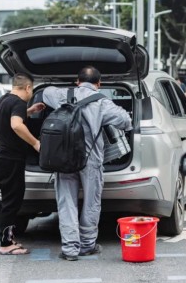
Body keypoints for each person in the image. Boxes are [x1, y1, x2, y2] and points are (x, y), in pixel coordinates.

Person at [42, 66, 132, 261]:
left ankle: (69, 249)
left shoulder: (61, 95)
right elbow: (126, 120)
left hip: (63, 157)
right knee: (91, 202)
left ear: (77, 81)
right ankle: (87, 245)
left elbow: (45, 92)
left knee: (66, 201)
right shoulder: (102, 102)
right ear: (98, 84)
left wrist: (67, 94)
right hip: (91, 158)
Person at [0, 73, 45, 255]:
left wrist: (29, 112)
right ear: (28, 88)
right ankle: (6, 244)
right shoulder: (19, 103)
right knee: (11, 202)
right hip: (10, 160)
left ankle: (9, 239)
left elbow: (11, 119)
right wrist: (36, 143)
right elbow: (16, 125)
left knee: (7, 200)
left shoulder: (2, 101)